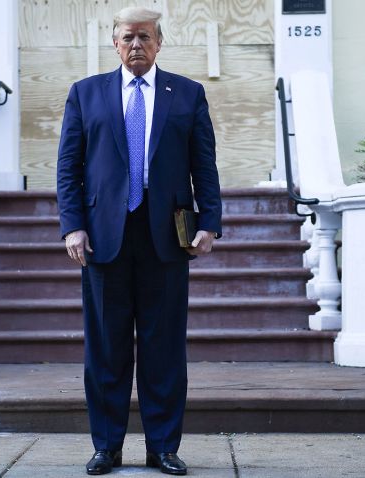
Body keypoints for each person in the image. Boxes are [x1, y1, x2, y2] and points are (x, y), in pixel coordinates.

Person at [56, 6, 222, 476]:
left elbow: (203, 164)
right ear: (114, 42)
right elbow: (68, 168)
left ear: (159, 42)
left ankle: (163, 447)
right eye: (128, 37)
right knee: (106, 347)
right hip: (104, 237)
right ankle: (107, 446)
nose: (136, 45)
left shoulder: (187, 94)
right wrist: (72, 225)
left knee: (164, 346)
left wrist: (209, 220)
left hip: (166, 237)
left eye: (145, 37)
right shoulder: (85, 94)